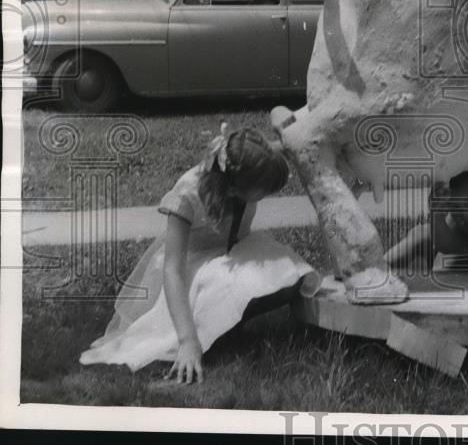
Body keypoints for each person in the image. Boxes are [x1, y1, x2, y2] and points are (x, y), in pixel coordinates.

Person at [80, 124, 319, 383]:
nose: (267, 196)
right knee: (224, 283)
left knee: (290, 272)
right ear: (232, 188)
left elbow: (284, 142)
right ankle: (206, 332)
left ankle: (229, 322)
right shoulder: (188, 194)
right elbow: (172, 269)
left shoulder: (244, 168)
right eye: (263, 191)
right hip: (191, 265)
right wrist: (187, 340)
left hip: (233, 251)